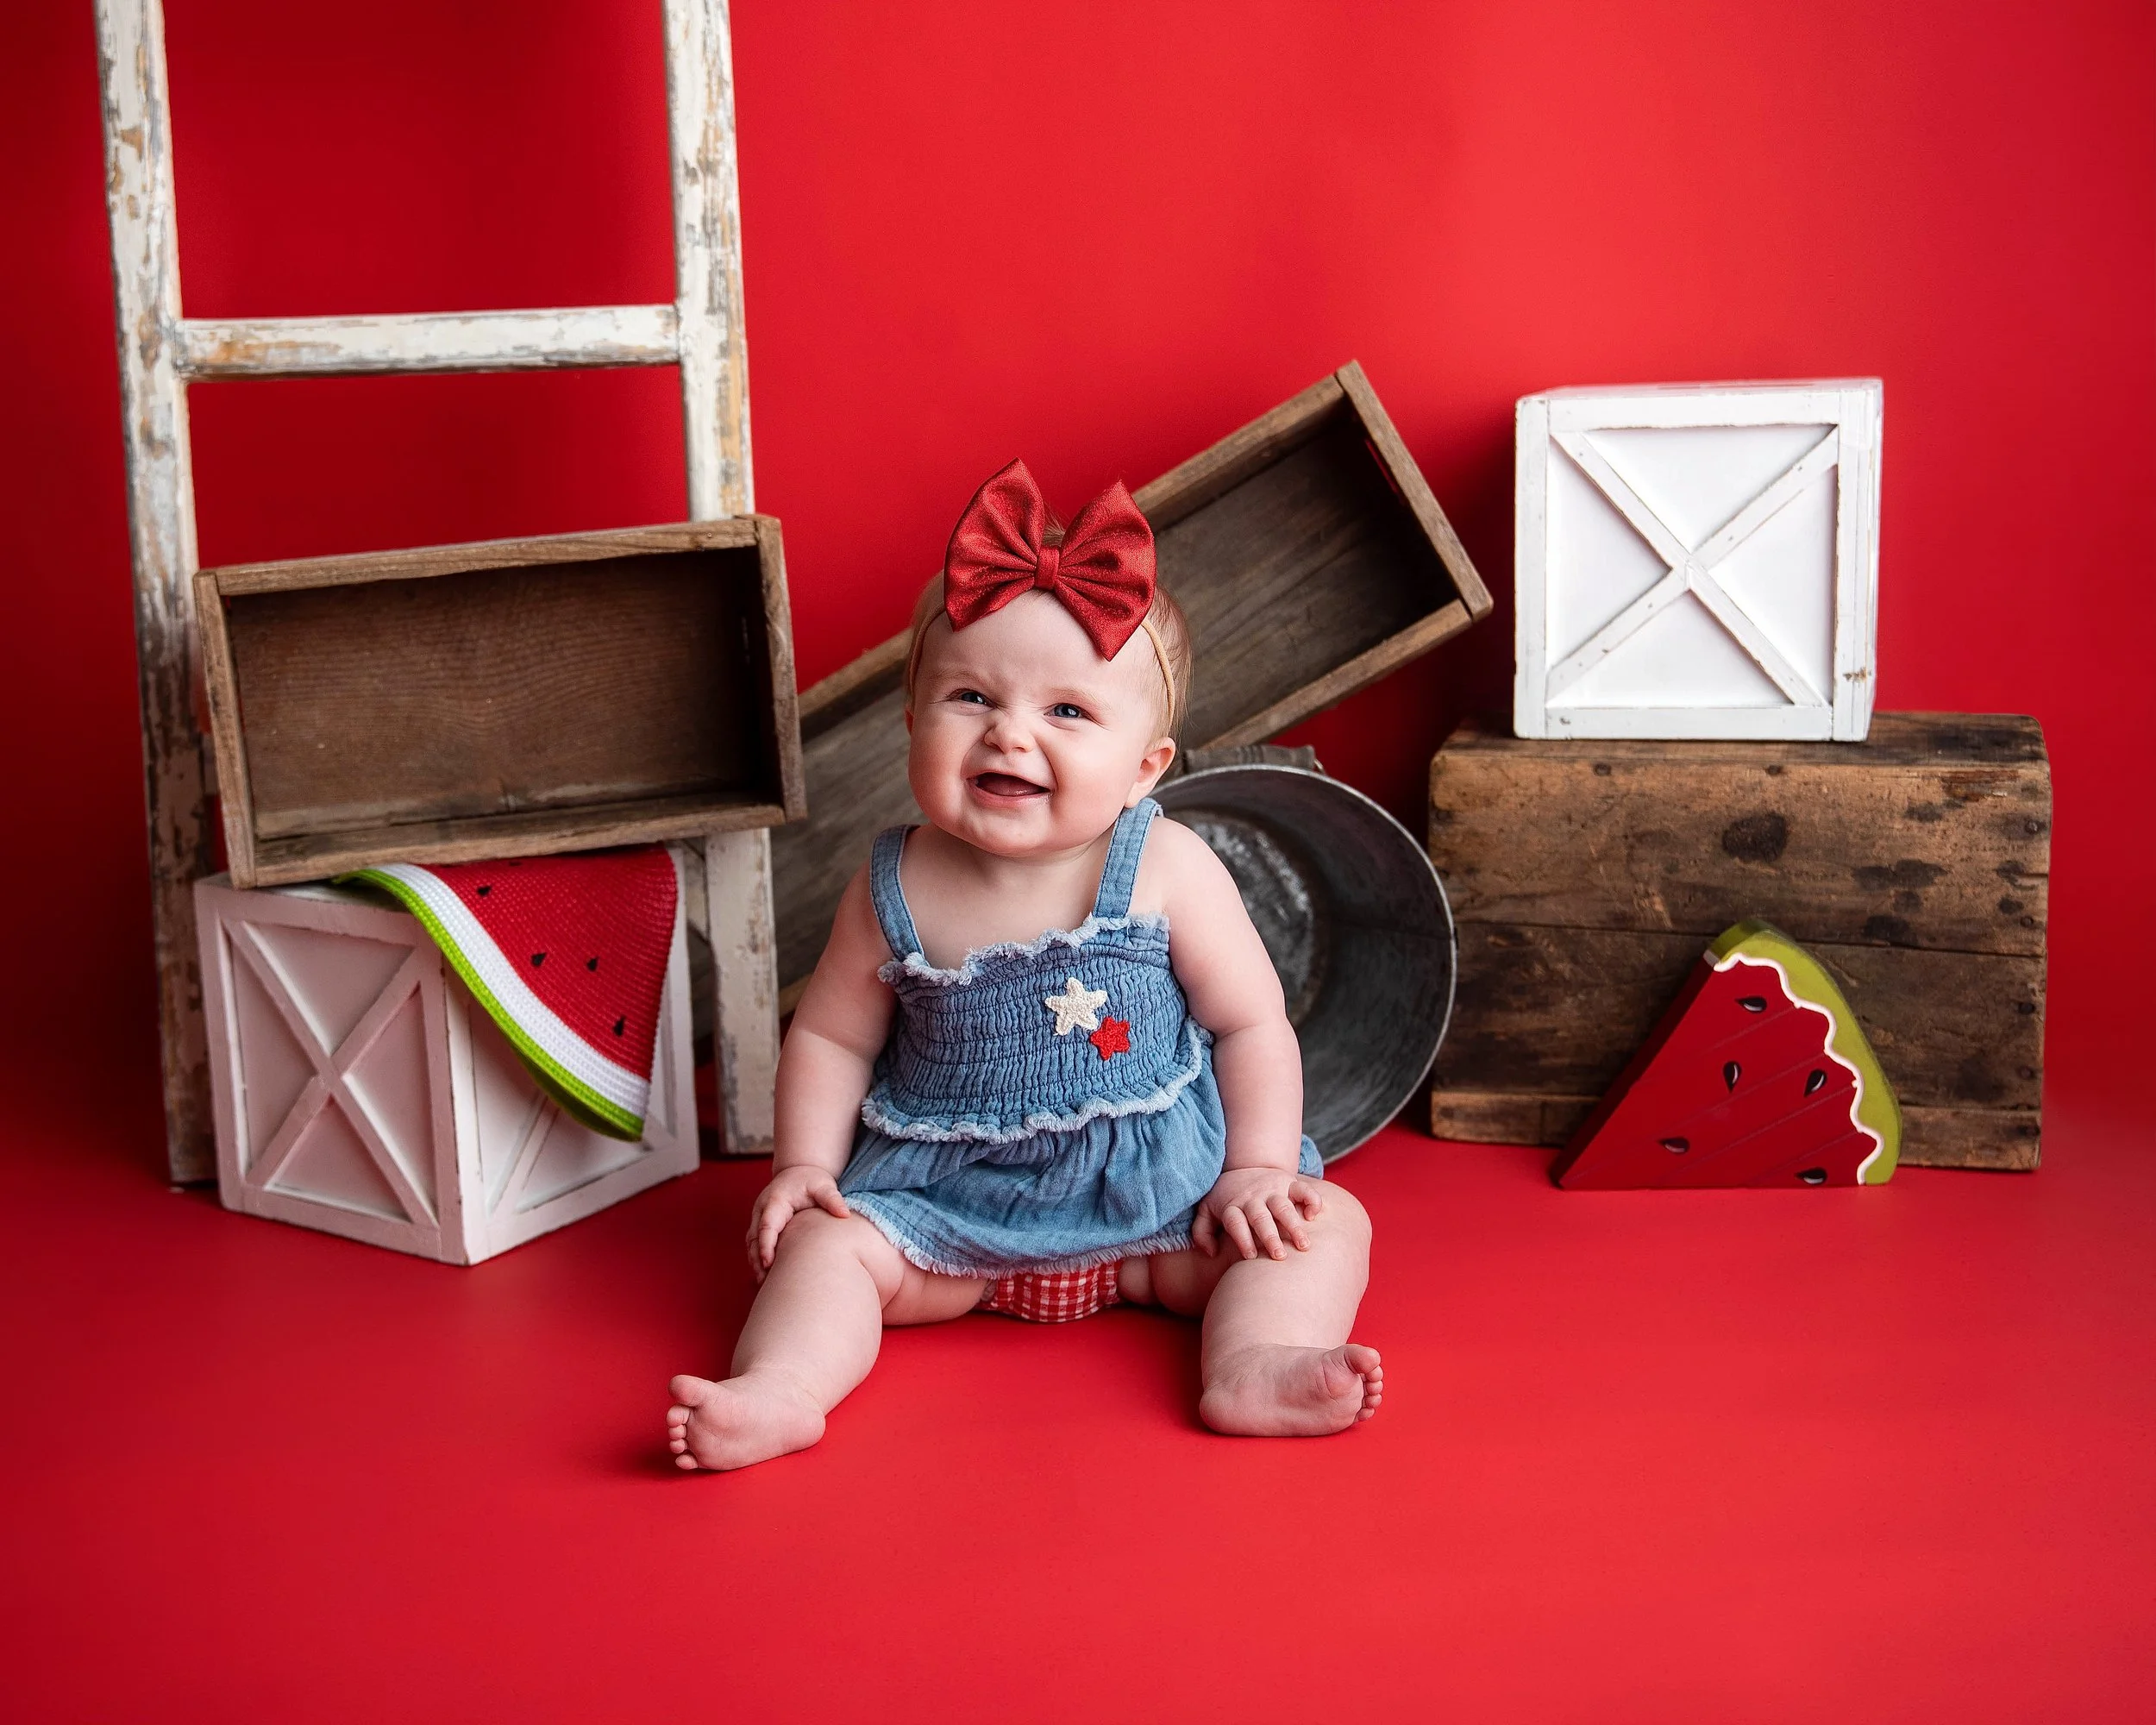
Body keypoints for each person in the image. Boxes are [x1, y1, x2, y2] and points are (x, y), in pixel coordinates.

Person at [667, 459, 1382, 1471]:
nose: (1008, 730)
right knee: (825, 1252)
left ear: (1145, 766)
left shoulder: (1165, 866)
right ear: (911, 719)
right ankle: (781, 1387)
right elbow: (828, 1034)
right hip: (945, 1214)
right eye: (969, 695)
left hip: (1159, 1209)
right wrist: (806, 1170)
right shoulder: (893, 885)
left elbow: (1248, 1022)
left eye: (1068, 712)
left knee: (1322, 1219)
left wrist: (1258, 1168)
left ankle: (1258, 1357)